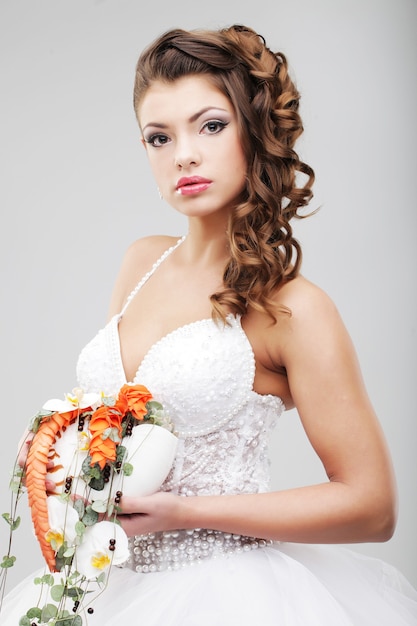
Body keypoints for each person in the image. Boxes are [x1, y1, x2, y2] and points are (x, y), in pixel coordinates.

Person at [1, 24, 417, 625]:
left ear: (255, 131)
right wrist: (56, 451)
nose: (184, 155)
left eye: (211, 125)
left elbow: (372, 507)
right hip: (112, 586)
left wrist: (187, 513)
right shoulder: (141, 260)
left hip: (226, 595)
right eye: (158, 137)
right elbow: (115, 425)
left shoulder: (293, 308)